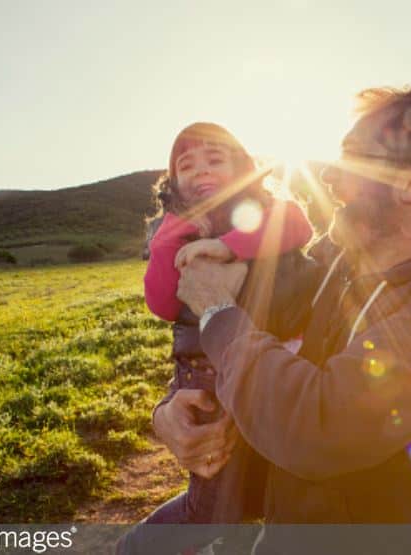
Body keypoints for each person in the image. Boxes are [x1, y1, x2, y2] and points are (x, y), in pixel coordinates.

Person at [162, 82, 411, 549]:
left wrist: (215, 310)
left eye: (353, 160)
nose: (330, 176)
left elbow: (318, 428)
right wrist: (169, 412)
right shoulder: (336, 256)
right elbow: (260, 343)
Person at [120, 122, 313, 553]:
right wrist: (170, 235)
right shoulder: (175, 230)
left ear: (243, 166)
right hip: (208, 383)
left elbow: (298, 226)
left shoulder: (268, 208)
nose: (201, 170)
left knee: (281, 491)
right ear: (174, 182)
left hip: (280, 368)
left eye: (215, 159)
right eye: (186, 165)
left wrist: (230, 246)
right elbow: (163, 303)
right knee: (212, 507)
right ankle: (134, 547)